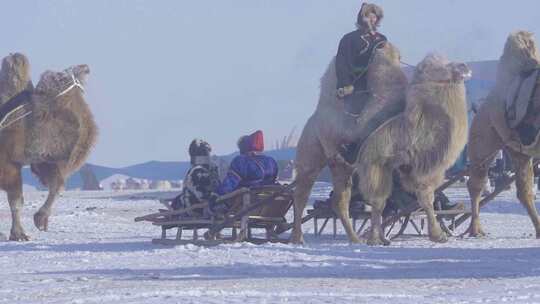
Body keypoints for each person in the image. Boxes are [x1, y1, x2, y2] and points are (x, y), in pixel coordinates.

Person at [335, 2, 387, 114]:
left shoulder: (381, 39)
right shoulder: (349, 39)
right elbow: (341, 63)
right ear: (362, 18)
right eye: (368, 16)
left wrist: (372, 32)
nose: (372, 19)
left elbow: (382, 50)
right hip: (356, 85)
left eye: (374, 16)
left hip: (378, 86)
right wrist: (345, 84)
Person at [210, 130, 279, 213]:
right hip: (268, 206)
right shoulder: (271, 162)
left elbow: (230, 183)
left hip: (245, 205)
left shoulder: (241, 161)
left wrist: (216, 195)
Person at [170, 139, 221, 217]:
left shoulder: (206, 170)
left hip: (198, 206)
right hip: (197, 209)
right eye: (207, 153)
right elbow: (202, 196)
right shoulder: (198, 171)